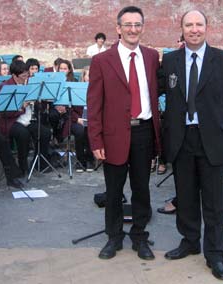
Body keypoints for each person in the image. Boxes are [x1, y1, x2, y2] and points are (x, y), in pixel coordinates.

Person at [158, 10, 223, 280]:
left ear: (207, 27)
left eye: (199, 24)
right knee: (187, 196)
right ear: (181, 29)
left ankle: (215, 254)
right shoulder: (169, 61)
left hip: (213, 141)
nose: (194, 29)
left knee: (215, 203)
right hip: (182, 139)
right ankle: (190, 241)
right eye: (188, 25)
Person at [87, 6, 160, 261]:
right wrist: (95, 139)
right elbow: (94, 104)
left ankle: (140, 237)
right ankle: (114, 237)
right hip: (114, 134)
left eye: (137, 24)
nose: (133, 29)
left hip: (144, 132)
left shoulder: (152, 57)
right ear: (118, 28)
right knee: (114, 189)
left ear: (142, 27)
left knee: (142, 188)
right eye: (127, 25)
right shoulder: (101, 61)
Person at [0, 60, 52, 174]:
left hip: (27, 120)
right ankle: (23, 166)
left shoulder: (30, 84)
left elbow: (38, 108)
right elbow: (5, 113)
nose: (25, 78)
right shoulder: (6, 86)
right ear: (14, 75)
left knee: (45, 132)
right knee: (23, 134)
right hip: (12, 121)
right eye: (23, 76)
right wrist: (22, 106)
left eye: (26, 75)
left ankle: (39, 164)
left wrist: (39, 99)